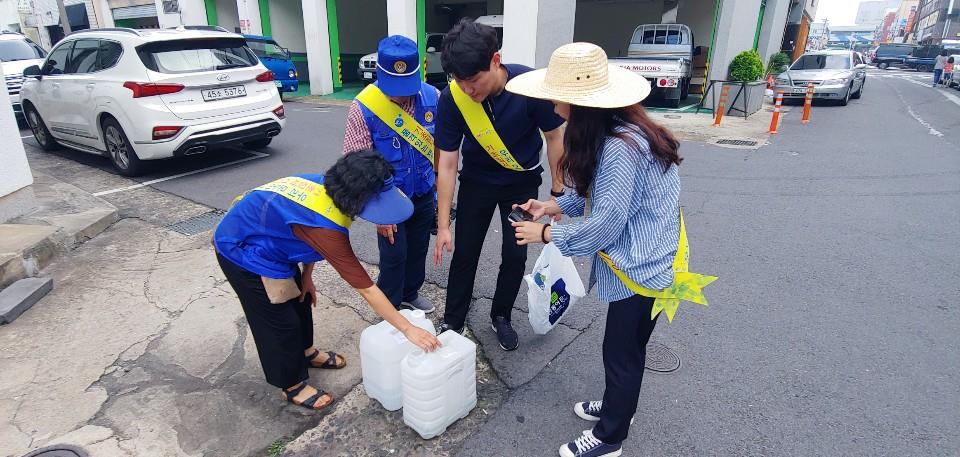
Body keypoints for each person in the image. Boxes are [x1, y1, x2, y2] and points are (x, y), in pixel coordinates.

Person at [506, 43, 683, 457]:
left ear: (579, 102)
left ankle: (610, 438)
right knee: (629, 350)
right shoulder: (618, 131)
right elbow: (598, 198)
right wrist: (551, 206)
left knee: (621, 352)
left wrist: (547, 235)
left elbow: (606, 223)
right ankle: (619, 409)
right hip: (652, 259)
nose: (552, 101)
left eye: (557, 93)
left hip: (641, 269)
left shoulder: (621, 147)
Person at [213, 150, 441, 411]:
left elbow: (305, 239)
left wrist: (307, 277)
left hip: (274, 243)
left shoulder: (328, 191)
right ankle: (291, 384)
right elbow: (366, 289)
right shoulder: (325, 227)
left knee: (301, 300)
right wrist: (408, 328)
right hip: (243, 249)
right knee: (278, 320)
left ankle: (306, 353)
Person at [432, 18, 566, 351]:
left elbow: (553, 136)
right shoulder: (453, 98)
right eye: (459, 81)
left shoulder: (529, 85)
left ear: (496, 60)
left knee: (514, 255)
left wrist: (557, 192)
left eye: (473, 80)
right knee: (464, 253)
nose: (467, 90)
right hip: (476, 183)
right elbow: (448, 162)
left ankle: (501, 316)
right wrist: (443, 223)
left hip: (521, 186)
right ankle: (453, 320)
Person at [342, 35, 439, 314]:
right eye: (392, 88)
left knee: (418, 248)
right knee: (394, 256)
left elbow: (443, 151)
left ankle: (411, 292)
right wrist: (378, 210)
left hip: (423, 191)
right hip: (388, 197)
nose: (400, 95)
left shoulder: (433, 98)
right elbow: (357, 164)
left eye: (405, 87)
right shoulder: (363, 108)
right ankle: (391, 305)